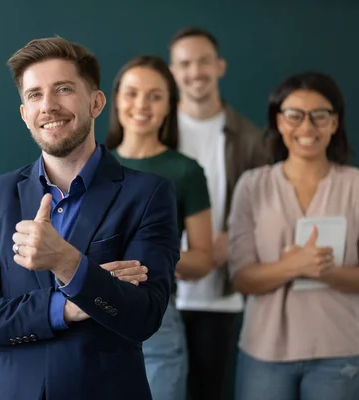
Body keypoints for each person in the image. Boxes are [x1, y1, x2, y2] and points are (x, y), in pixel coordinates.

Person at [0, 37, 180, 400]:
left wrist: (67, 263)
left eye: (64, 89)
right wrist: (63, 308)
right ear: (24, 114)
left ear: (96, 102)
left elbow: (143, 316)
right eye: (35, 95)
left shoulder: (148, 195)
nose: (49, 106)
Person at [229, 71, 359, 400]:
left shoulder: (355, 186)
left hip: (340, 349)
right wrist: (293, 266)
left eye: (320, 116)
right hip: (264, 351)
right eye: (294, 115)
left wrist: (330, 273)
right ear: (278, 121)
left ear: (335, 123)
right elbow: (241, 277)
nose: (307, 127)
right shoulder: (252, 185)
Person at [168, 26, 268, 399]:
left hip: (221, 292)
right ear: (173, 71)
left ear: (220, 66)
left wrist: (235, 241)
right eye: (185, 63)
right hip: (163, 291)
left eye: (204, 61)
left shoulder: (250, 137)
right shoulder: (157, 132)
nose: (195, 71)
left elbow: (267, 207)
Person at [105, 54, 212, 399]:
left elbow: (203, 259)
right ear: (114, 99)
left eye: (155, 96)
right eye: (132, 93)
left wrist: (152, 254)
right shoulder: (90, 164)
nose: (142, 105)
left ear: (169, 106)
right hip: (93, 310)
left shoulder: (186, 172)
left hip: (157, 317)